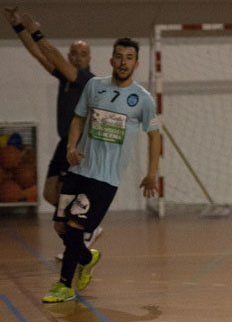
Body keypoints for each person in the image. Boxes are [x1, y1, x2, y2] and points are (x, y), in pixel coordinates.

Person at [42, 38, 161, 303]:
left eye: (129, 57)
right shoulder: (94, 86)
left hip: (104, 180)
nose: (123, 62)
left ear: (136, 63)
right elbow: (78, 118)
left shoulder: (143, 99)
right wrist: (72, 145)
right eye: (119, 56)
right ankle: (88, 257)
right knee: (61, 228)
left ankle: (64, 285)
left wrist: (152, 173)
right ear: (111, 60)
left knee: (74, 228)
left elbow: (155, 135)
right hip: (78, 169)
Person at [3, 7, 103, 254]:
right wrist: (18, 27)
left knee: (70, 195)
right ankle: (85, 227)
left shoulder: (85, 79)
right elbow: (39, 54)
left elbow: (51, 52)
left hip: (79, 145)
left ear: (89, 59)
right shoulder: (65, 78)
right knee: (50, 194)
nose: (78, 57)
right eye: (75, 54)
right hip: (64, 142)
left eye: (83, 54)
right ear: (71, 56)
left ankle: (83, 232)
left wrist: (36, 30)